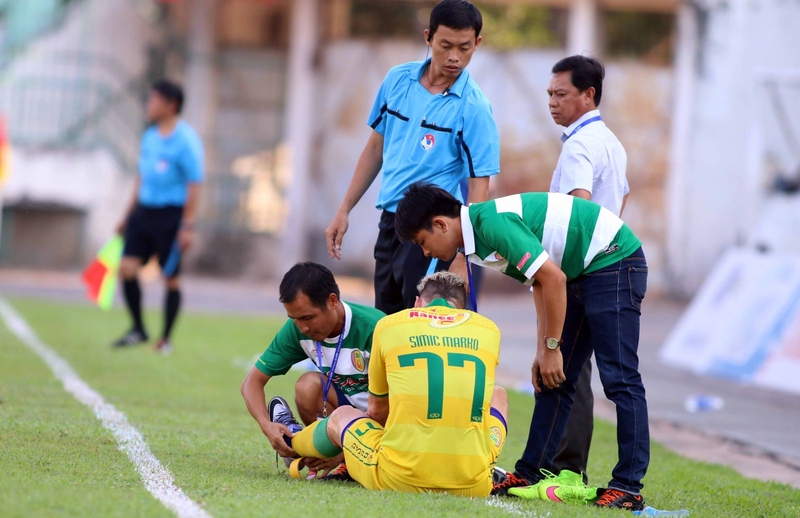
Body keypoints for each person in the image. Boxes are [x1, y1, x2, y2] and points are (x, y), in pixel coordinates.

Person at [394, 183, 650, 510]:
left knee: (619, 379)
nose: (425, 253)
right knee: (552, 377)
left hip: (613, 260)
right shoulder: (478, 239)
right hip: (579, 273)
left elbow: (554, 279)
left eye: (422, 242)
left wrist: (553, 346)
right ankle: (529, 474)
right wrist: (544, 351)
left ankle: (628, 486)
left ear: (441, 224)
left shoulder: (492, 224)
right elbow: (541, 284)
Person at [324, 0, 500, 314]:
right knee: (387, 323)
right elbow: (375, 149)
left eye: (465, 47)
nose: (455, 57)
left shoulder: (475, 108)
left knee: (421, 324)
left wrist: (464, 255)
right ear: (428, 37)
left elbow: (479, 189)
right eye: (445, 45)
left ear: (478, 44)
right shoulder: (396, 80)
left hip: (432, 233)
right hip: (391, 224)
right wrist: (344, 209)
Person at [269, 271, 509, 497]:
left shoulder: (389, 324)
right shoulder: (489, 329)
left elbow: (376, 412)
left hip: (398, 476)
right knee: (498, 395)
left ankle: (295, 443)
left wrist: (345, 450)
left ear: (417, 302)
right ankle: (485, 464)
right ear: (461, 309)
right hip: (473, 484)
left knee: (342, 416)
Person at [547, 55, 630, 484]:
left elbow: (576, 212)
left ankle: (563, 468)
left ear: (588, 94)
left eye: (561, 94)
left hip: (580, 271)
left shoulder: (579, 145)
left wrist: (557, 276)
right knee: (595, 373)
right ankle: (567, 466)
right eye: (550, 94)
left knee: (568, 369)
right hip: (610, 265)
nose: (552, 103)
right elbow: (622, 203)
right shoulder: (612, 143)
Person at [241, 262, 385, 479]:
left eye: (308, 318)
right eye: (295, 319)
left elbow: (404, 401)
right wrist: (266, 425)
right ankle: (306, 445)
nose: (303, 328)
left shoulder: (376, 328)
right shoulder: (297, 329)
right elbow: (251, 383)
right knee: (308, 386)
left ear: (332, 301)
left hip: (384, 416)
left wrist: (350, 446)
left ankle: (343, 456)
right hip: (343, 418)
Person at [112, 80, 204, 353]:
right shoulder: (150, 137)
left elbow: (195, 184)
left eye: (153, 100)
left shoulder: (186, 140)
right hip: (143, 212)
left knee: (170, 277)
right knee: (126, 268)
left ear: (171, 105)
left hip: (170, 216)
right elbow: (141, 178)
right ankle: (138, 329)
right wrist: (127, 215)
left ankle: (165, 339)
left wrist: (187, 225)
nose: (148, 104)